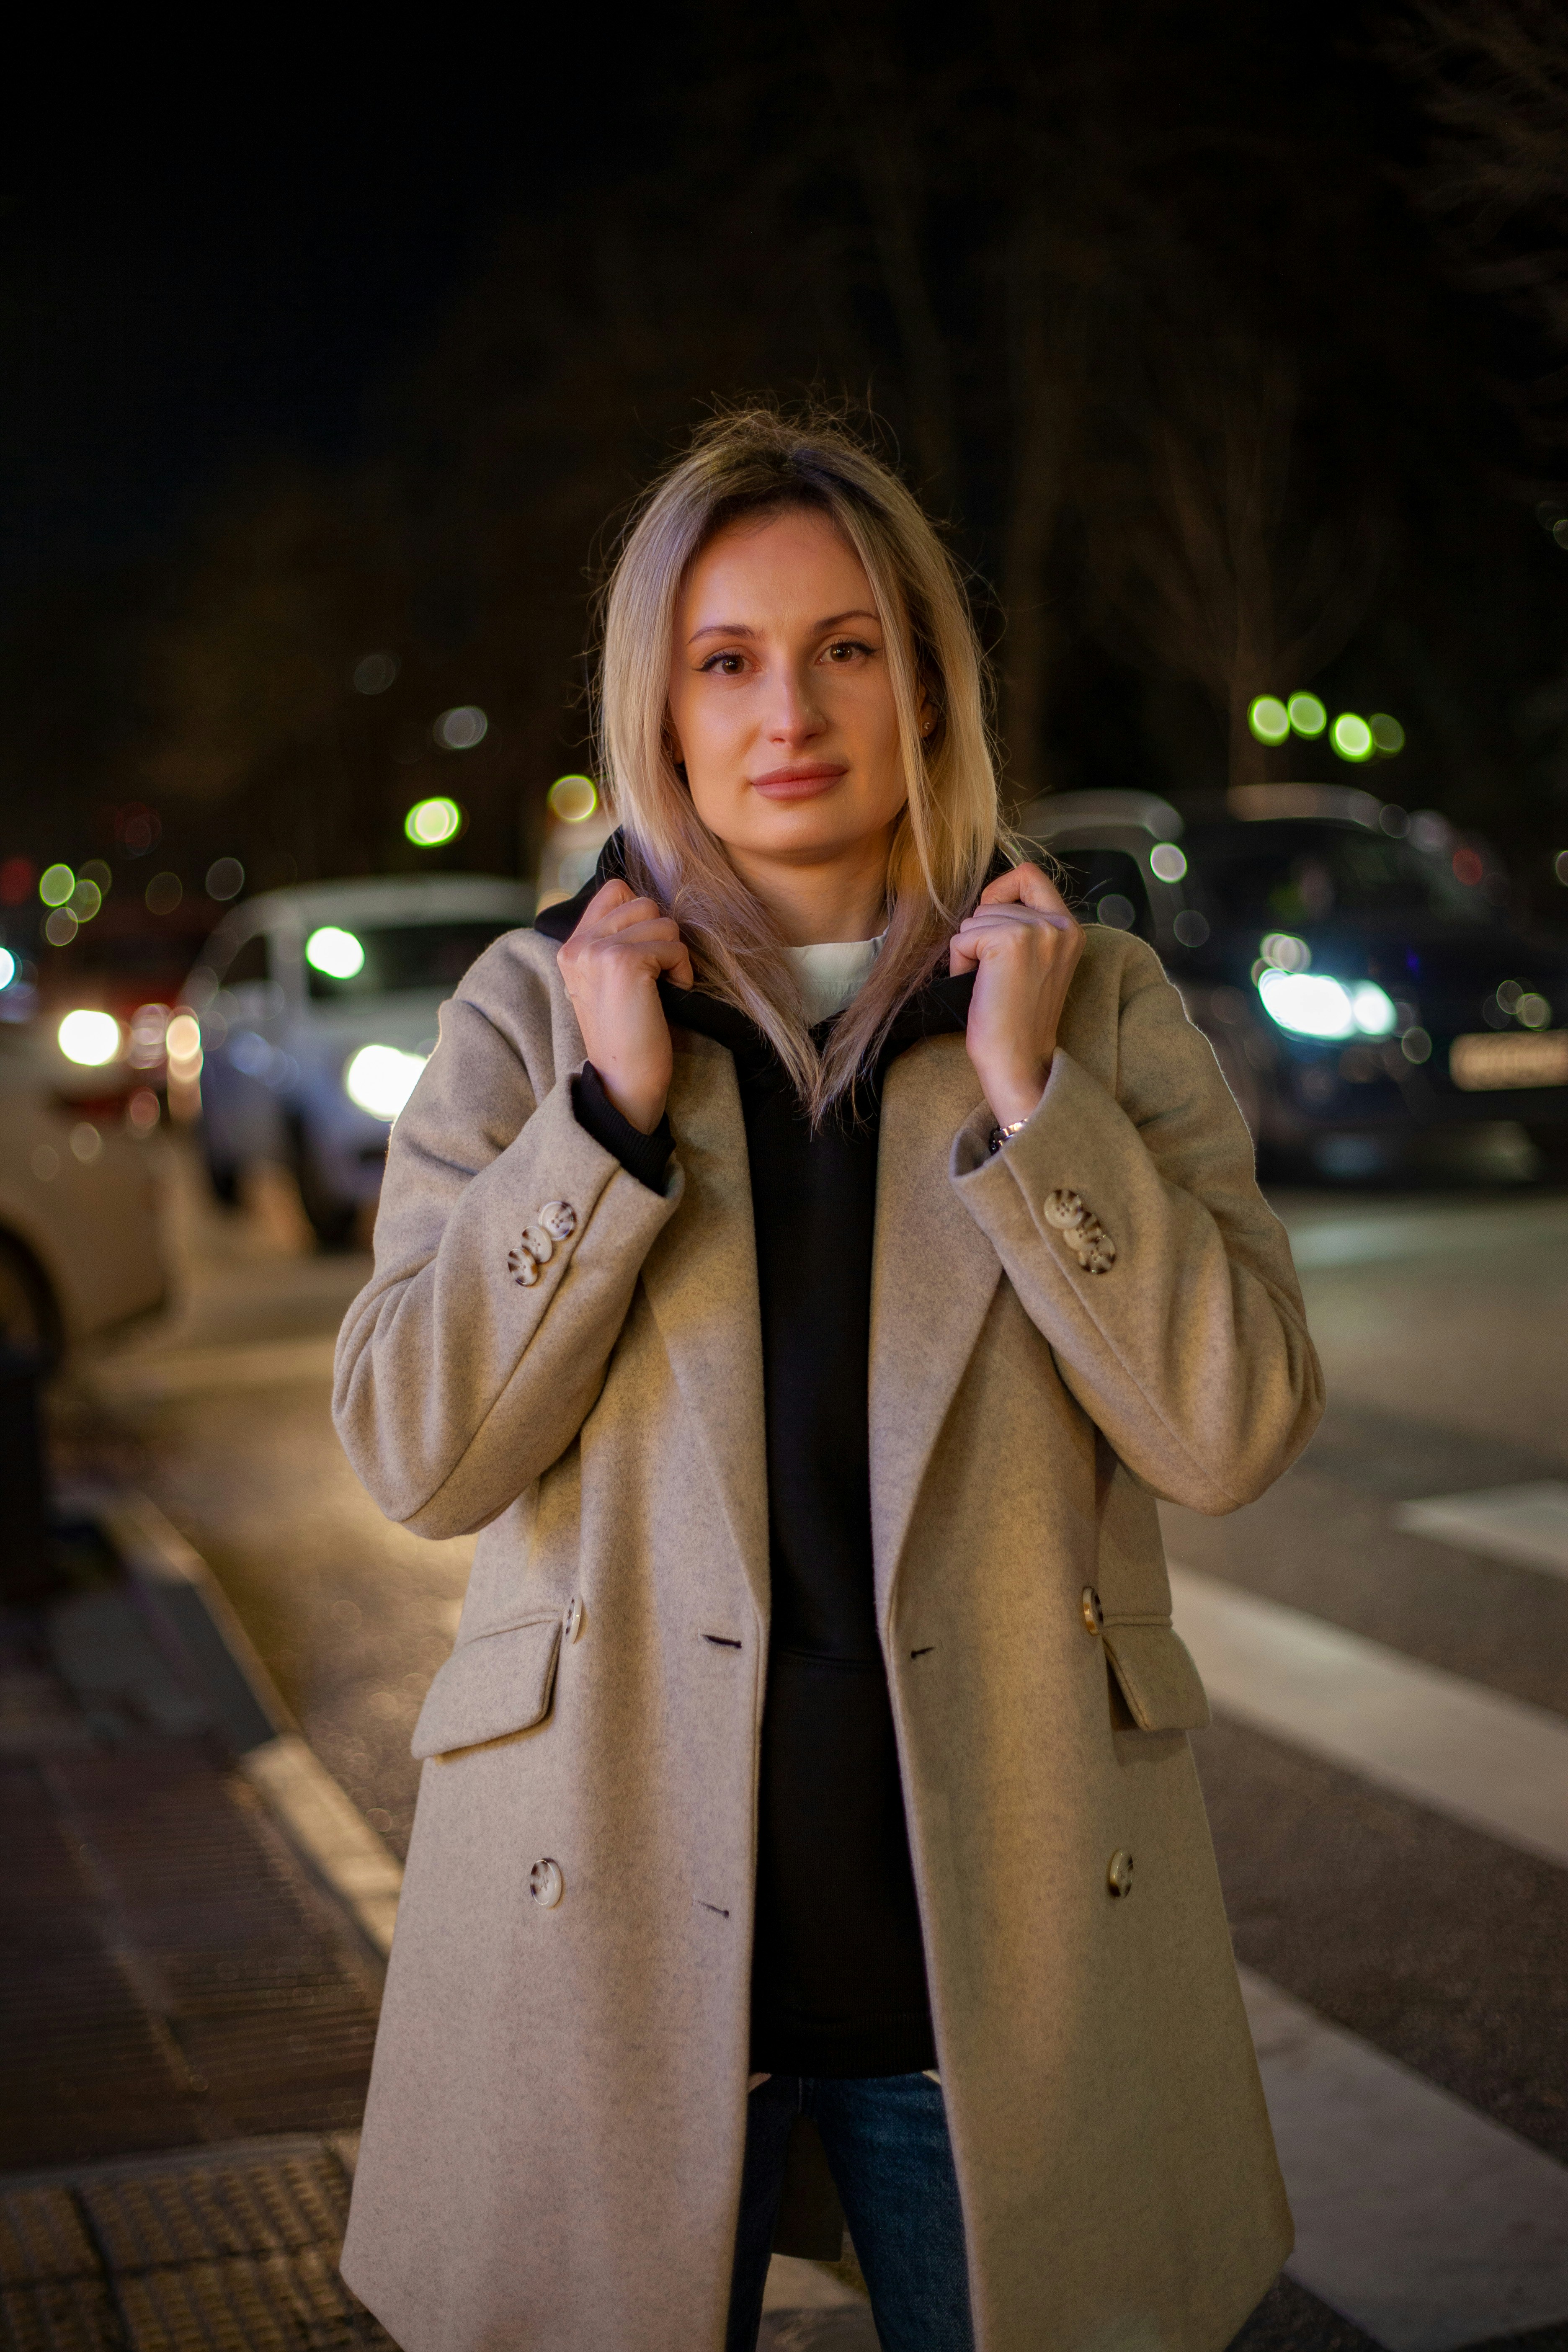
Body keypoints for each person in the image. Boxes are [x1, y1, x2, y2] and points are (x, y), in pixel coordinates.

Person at [333, 408, 1323, 2352]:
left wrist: (1040, 1109)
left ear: (930, 689)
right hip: (596, 1941)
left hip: (1003, 1976)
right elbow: (418, 1455)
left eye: (848, 645)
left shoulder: (1090, 1009)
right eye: (728, 659)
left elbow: (1232, 1428)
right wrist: (601, 1128)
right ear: (663, 710)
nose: (792, 709)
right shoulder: (531, 1017)